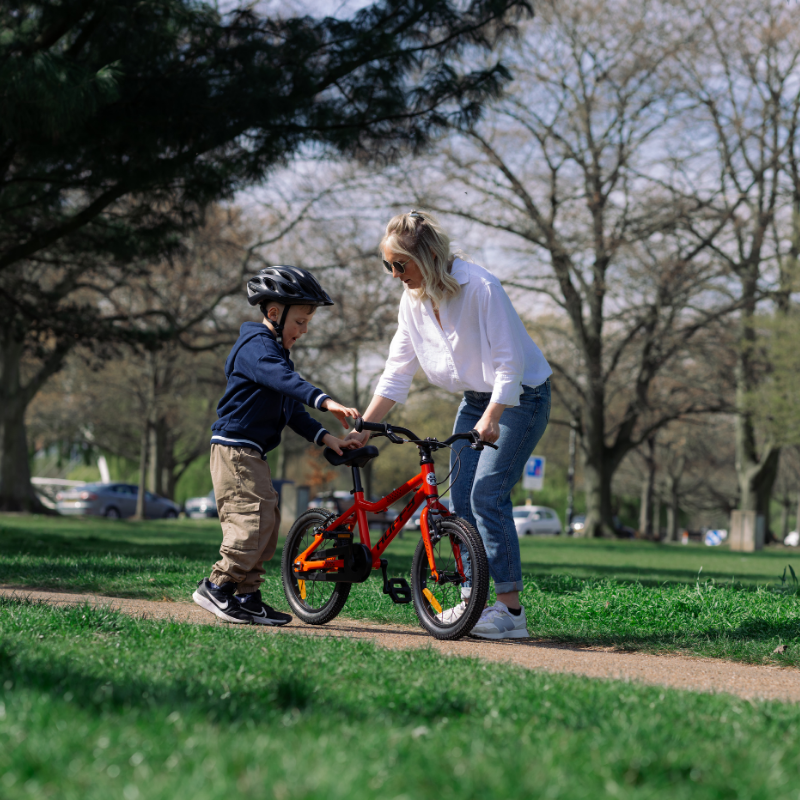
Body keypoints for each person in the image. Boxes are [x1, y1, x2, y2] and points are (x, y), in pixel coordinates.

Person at [348, 211, 551, 640]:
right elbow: (397, 372)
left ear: (426, 255)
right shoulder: (414, 300)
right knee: (458, 499)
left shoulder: (480, 287)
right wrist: (365, 425)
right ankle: (473, 601)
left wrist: (493, 418)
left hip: (520, 396)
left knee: (487, 493)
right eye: (388, 266)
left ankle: (511, 613)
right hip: (477, 398)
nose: (394, 274)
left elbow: (509, 364)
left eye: (399, 264)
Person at [193, 265, 359, 625]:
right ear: (273, 313)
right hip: (234, 449)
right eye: (300, 321)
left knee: (266, 519)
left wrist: (326, 436)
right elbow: (286, 381)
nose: (304, 330)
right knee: (249, 520)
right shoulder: (256, 349)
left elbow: (291, 411)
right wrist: (326, 400)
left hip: (249, 451)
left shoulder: (276, 355)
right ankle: (217, 587)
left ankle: (247, 595)